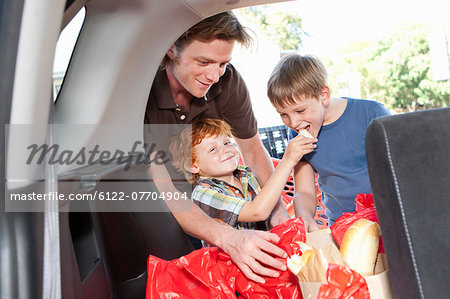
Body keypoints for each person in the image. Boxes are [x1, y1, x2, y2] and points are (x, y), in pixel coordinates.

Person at [144, 11, 290, 283]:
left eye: (223, 63)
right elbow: (166, 189)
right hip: (169, 210)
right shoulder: (143, 93)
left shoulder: (229, 82)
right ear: (171, 48)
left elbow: (253, 150)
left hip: (225, 208)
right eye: (203, 61)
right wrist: (228, 238)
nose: (214, 74)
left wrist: (277, 210)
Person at [267, 53, 390, 231]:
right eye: (283, 114)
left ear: (323, 95)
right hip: (341, 229)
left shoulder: (371, 114)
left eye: (300, 110)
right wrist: (306, 218)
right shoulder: (296, 136)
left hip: (386, 223)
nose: (293, 123)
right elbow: (305, 191)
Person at [169, 118, 316, 235]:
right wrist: (288, 161)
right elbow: (257, 211)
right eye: (213, 149)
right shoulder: (203, 194)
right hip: (230, 268)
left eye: (227, 142)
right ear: (193, 166)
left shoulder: (246, 174)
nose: (226, 150)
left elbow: (269, 211)